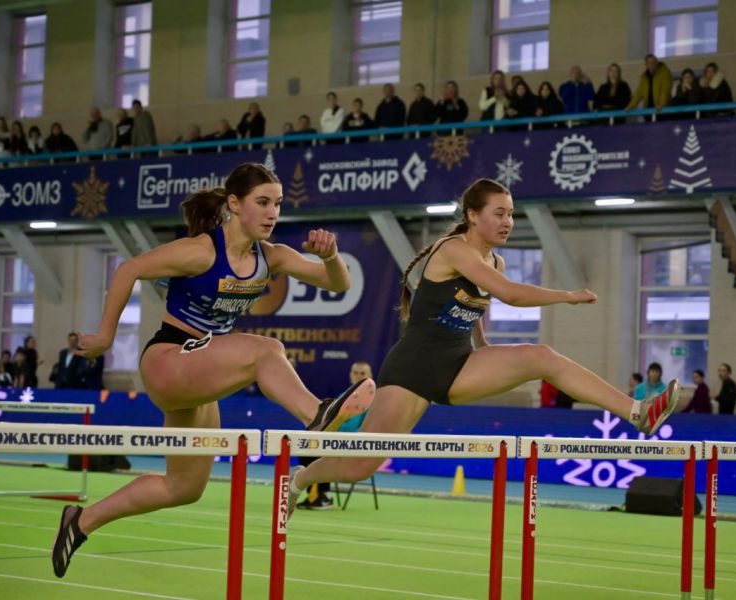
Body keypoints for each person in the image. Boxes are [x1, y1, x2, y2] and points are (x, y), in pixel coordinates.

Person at [50, 163, 375, 577]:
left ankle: (81, 521)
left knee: (184, 487)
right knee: (267, 350)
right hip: (169, 360)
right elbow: (129, 269)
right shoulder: (202, 251)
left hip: (200, 370)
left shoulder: (272, 256)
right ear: (234, 204)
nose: (272, 213)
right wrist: (105, 336)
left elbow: (338, 284)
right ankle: (318, 416)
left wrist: (330, 257)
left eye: (278, 204)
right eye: (263, 202)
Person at [286, 179, 679, 513]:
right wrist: (567, 296)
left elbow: (474, 303)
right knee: (359, 467)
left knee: (542, 356)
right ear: (473, 215)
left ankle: (638, 412)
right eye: (499, 213)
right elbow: (511, 295)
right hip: (412, 369)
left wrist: (483, 345)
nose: (508, 221)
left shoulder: (496, 262)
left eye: (511, 214)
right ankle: (301, 477)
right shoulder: (453, 249)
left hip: (459, 363)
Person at [298, 360, 375, 511]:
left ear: (370, 376)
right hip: (333, 440)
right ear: (350, 375)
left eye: (363, 373)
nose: (358, 376)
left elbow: (367, 429)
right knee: (306, 447)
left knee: (319, 453)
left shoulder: (373, 402)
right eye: (356, 373)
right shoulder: (343, 397)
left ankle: (324, 496)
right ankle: (314, 495)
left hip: (353, 444)